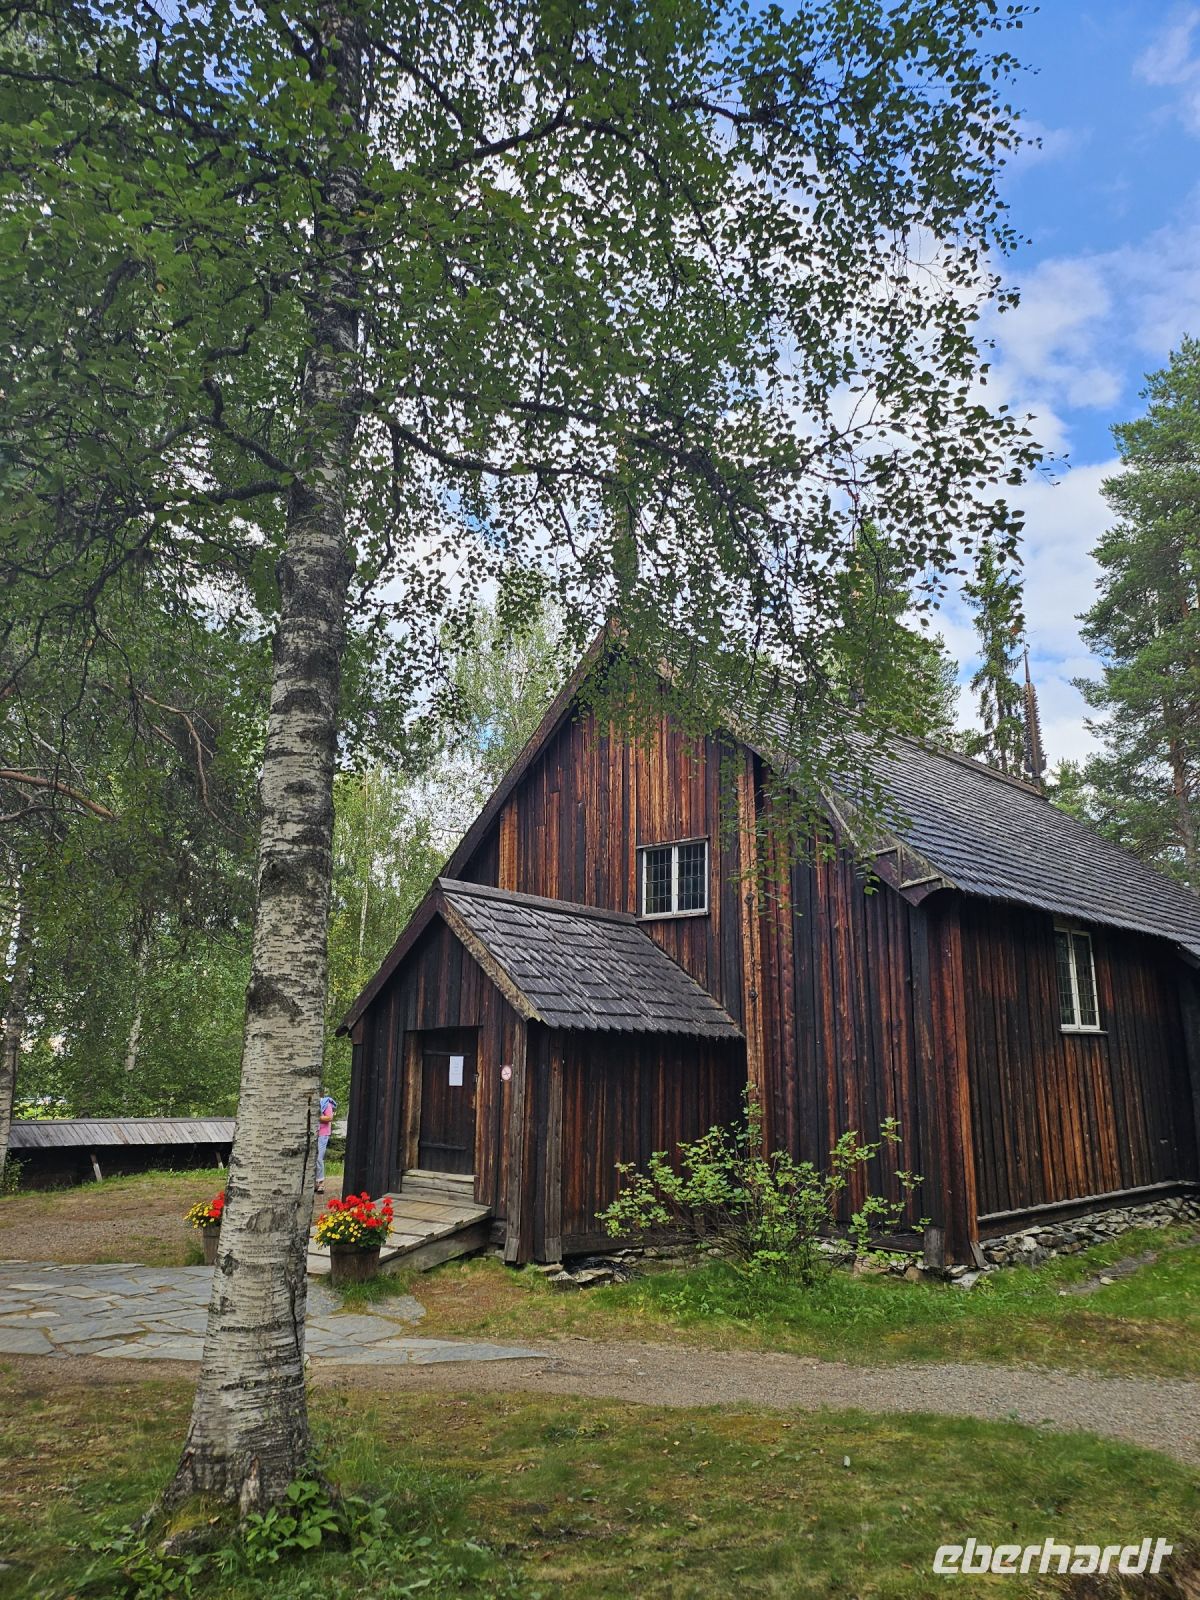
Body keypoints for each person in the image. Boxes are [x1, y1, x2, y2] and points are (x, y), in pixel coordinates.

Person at [315, 1092, 336, 1193]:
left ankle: (321, 1183)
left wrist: (316, 1117)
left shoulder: (326, 1104)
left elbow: (329, 1117)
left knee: (319, 1158)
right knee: (313, 1158)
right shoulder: (313, 1103)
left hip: (323, 1134)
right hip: (313, 1133)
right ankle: (315, 1182)